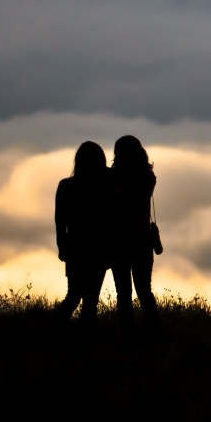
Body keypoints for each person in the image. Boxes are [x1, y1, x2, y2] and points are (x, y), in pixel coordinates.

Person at [52, 141, 111, 325]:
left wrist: (62, 246)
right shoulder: (105, 186)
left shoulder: (66, 186)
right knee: (90, 301)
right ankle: (85, 341)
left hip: (75, 247)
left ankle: (53, 330)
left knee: (74, 296)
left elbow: (60, 221)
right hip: (98, 248)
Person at [109, 134, 162, 335]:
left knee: (124, 292)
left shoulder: (114, 178)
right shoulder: (147, 176)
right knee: (143, 291)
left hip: (119, 241)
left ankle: (127, 334)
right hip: (141, 240)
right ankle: (153, 332)